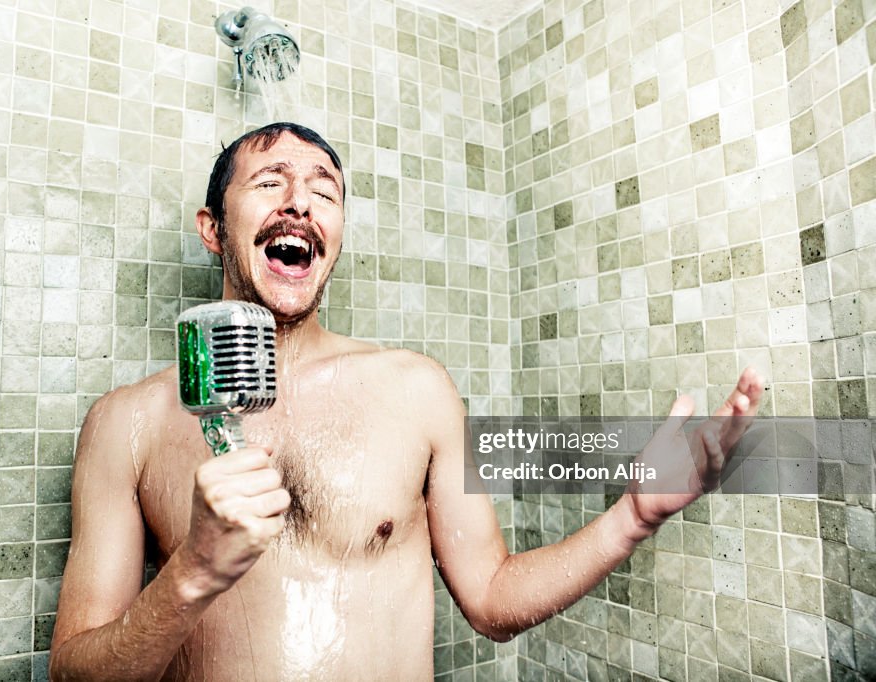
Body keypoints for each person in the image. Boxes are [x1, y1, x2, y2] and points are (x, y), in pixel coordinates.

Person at [48, 122, 764, 681]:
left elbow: (490, 598)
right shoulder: (127, 424)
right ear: (212, 229)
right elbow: (74, 670)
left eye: (324, 192)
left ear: (333, 236)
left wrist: (632, 518)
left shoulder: (416, 390)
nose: (300, 201)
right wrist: (192, 575)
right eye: (270, 182)